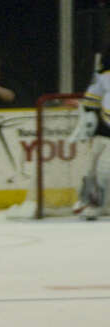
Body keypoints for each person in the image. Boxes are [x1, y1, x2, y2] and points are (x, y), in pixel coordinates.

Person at [67, 54, 110, 220]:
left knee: (104, 170)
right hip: (102, 132)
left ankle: (96, 205)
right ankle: (86, 199)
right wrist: (83, 110)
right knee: (90, 168)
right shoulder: (103, 76)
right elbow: (91, 102)